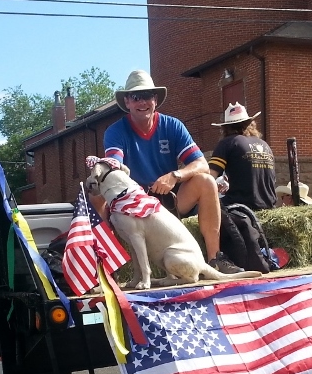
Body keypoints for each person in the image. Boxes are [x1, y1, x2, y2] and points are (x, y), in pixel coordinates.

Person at [102, 70, 243, 274]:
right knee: (96, 195)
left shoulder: (173, 125)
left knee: (207, 181)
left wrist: (175, 175)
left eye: (148, 95)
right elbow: (115, 170)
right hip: (134, 208)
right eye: (136, 97)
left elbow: (202, 164)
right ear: (127, 102)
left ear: (156, 100)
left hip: (168, 204)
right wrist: (137, 195)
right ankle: (107, 264)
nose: (143, 102)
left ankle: (215, 258)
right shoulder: (115, 132)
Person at [208, 103, 277, 211]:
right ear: (250, 124)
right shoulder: (265, 145)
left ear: (225, 128)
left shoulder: (227, 143)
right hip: (269, 205)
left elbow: (209, 177)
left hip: (239, 206)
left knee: (202, 207)